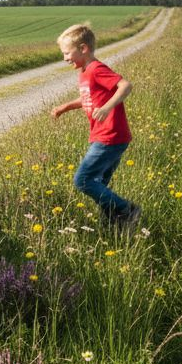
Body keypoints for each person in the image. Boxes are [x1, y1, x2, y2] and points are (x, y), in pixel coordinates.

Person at [50, 23, 141, 226]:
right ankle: (115, 222)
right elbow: (88, 98)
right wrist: (65, 107)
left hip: (110, 136)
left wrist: (107, 108)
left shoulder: (96, 69)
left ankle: (127, 210)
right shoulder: (84, 72)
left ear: (83, 48)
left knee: (83, 180)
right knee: (99, 183)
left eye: (67, 53)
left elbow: (125, 86)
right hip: (106, 136)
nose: (65, 58)